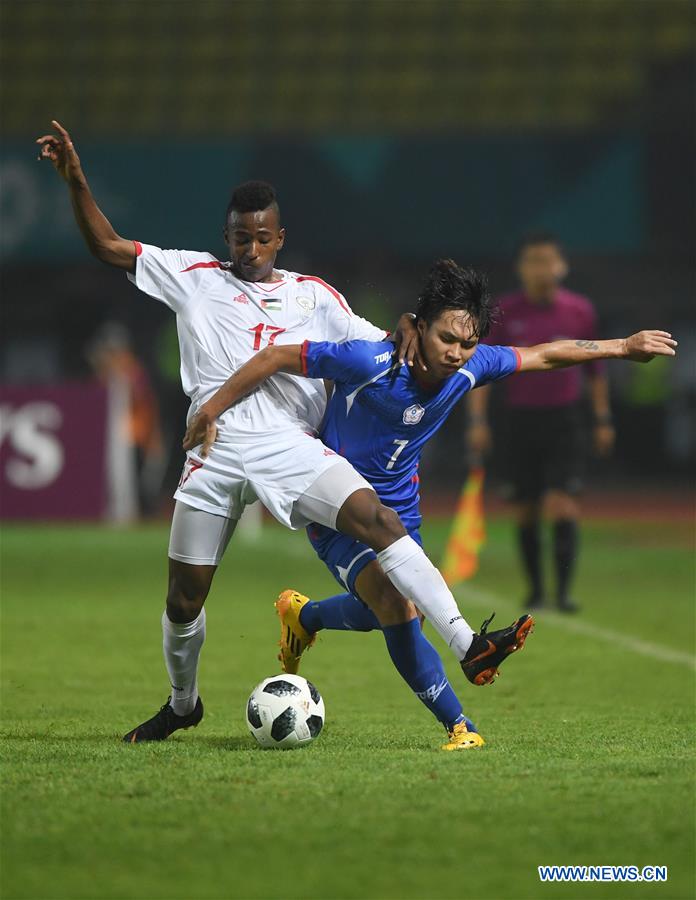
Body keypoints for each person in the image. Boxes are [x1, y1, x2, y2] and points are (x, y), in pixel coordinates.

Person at [37, 122, 521, 752]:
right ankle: (183, 705)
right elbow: (105, 244)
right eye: (242, 237)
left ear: (280, 237)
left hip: (290, 445)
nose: (252, 248)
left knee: (377, 519)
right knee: (184, 600)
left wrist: (407, 319)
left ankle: (466, 642)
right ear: (227, 236)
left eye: (264, 237)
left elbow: (384, 342)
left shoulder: (313, 296)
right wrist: (76, 177)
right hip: (210, 451)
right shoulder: (192, 274)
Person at [184, 259, 675, 742]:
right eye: (447, 339)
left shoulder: (471, 367)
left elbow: (544, 354)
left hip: (400, 515)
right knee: (397, 607)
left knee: (396, 607)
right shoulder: (370, 361)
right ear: (418, 329)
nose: (458, 353)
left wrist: (623, 347)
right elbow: (273, 357)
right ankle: (461, 722)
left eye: (469, 342)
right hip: (338, 509)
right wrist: (211, 410)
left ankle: (305, 616)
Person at [468, 233, 615, 612]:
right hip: (519, 421)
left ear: (561, 266)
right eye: (533, 261)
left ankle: (563, 594)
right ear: (521, 268)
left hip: (566, 420)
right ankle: (535, 592)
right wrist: (478, 421)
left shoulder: (579, 311)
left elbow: (596, 370)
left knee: (563, 506)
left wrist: (602, 419)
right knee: (526, 509)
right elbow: (482, 367)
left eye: (548, 260)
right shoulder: (506, 311)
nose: (541, 269)